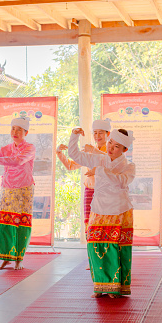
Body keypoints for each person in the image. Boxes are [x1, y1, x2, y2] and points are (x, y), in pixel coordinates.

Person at [68, 127, 136, 298]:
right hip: (98, 209)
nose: (111, 148)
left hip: (119, 209)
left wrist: (99, 171)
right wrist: (74, 136)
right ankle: (100, 286)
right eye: (110, 143)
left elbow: (120, 182)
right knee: (95, 246)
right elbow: (75, 155)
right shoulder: (100, 159)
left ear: (125, 150)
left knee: (114, 248)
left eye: (117, 146)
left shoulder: (129, 167)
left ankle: (114, 286)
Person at [0, 117, 35, 270]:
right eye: (13, 128)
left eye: (19, 129)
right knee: (3, 220)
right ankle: (5, 257)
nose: (15, 132)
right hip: (7, 188)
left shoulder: (30, 148)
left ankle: (19, 258)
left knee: (20, 222)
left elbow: (17, 161)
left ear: (26, 132)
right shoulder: (6, 148)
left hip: (24, 189)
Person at [56, 119, 111, 231]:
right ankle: (91, 247)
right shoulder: (89, 150)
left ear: (108, 134)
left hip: (106, 192)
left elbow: (111, 161)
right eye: (95, 133)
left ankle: (104, 248)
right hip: (90, 190)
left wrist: (94, 150)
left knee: (104, 222)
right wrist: (59, 152)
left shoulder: (112, 150)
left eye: (101, 132)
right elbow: (71, 166)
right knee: (89, 222)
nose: (97, 135)